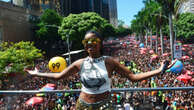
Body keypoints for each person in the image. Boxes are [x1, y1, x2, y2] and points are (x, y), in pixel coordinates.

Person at [25, 30, 176, 110]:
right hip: (82, 105)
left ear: (100, 43)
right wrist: (36, 73)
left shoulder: (109, 62)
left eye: (94, 41)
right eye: (86, 42)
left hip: (104, 105)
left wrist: (159, 70)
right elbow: (58, 76)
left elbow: (132, 77)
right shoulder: (79, 63)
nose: (90, 44)